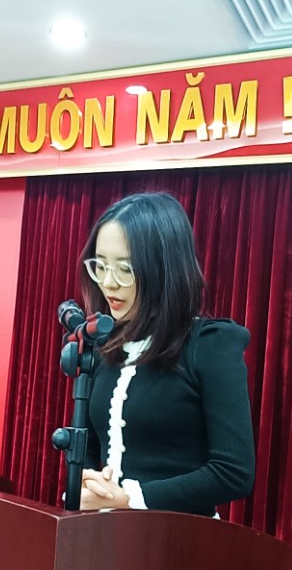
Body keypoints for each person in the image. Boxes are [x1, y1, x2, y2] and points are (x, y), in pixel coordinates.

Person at [76, 193, 255, 516]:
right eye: (100, 265)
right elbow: (87, 443)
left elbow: (233, 472)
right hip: (104, 534)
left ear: (164, 268)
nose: (108, 282)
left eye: (125, 269)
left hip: (179, 539)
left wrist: (129, 498)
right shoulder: (106, 345)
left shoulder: (210, 345)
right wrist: (89, 481)